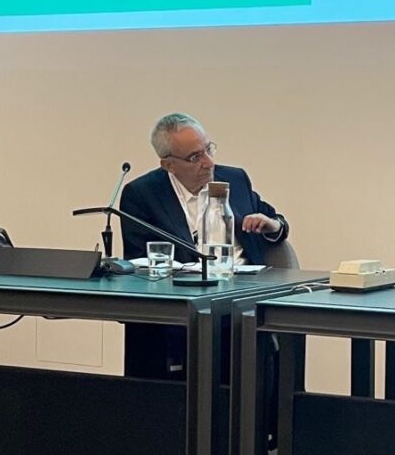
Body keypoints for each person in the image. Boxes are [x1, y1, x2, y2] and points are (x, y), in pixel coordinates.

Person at [119, 112, 290, 378]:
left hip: (243, 297)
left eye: (209, 149)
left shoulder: (235, 179)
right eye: (195, 157)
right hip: (184, 304)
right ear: (168, 165)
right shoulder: (143, 195)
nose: (209, 162)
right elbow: (140, 262)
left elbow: (278, 225)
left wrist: (271, 225)